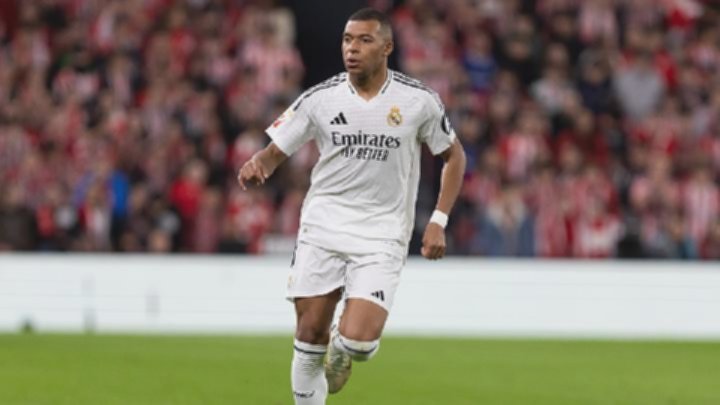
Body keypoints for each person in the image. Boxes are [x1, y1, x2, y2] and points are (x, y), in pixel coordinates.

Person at [237, 8, 466, 405]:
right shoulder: (320, 98)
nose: (352, 49)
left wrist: (438, 220)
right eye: (347, 40)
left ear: (387, 47)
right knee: (309, 335)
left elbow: (454, 156)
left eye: (364, 40)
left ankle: (342, 347)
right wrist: (259, 163)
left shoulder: (418, 101)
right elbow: (275, 151)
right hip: (323, 225)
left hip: (383, 232)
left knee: (360, 342)